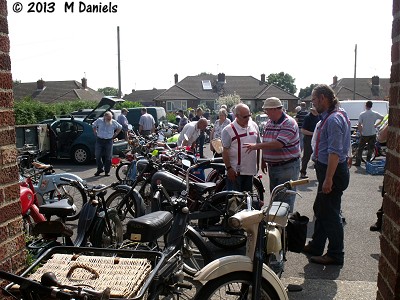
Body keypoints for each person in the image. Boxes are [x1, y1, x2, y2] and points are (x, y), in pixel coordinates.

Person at [303, 84, 351, 265]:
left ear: (323, 98)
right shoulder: (335, 115)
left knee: (330, 214)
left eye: (314, 100)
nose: (313, 104)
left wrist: (329, 178)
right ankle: (316, 245)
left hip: (333, 172)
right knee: (322, 209)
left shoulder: (333, 119)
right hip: (329, 170)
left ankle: (336, 254)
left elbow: (334, 152)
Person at [244, 97, 301, 213]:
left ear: (275, 109)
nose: (266, 113)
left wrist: (256, 146)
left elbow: (279, 144)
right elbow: (266, 141)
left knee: (285, 199)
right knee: (276, 197)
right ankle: (276, 226)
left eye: (267, 110)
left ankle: (284, 227)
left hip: (287, 166)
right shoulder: (270, 123)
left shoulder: (289, 123)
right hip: (274, 166)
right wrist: (264, 159)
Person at [221, 103, 260, 192]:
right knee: (234, 202)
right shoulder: (228, 130)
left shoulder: (254, 126)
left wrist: (258, 164)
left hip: (250, 172)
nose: (248, 119)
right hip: (235, 173)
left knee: (247, 201)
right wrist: (229, 168)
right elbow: (225, 151)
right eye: (245, 117)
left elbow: (258, 146)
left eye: (249, 116)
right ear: (236, 116)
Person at [354, 101, 384, 166]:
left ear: (366, 105)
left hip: (365, 133)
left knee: (360, 148)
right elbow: (382, 117)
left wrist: (361, 132)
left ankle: (358, 162)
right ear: (371, 106)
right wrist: (376, 124)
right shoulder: (375, 113)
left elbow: (359, 124)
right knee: (370, 148)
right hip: (372, 133)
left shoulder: (362, 114)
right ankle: (368, 162)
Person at [92, 111, 122, 176]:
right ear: (104, 117)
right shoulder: (99, 120)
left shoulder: (113, 122)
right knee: (97, 155)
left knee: (108, 157)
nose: (109, 120)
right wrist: (95, 132)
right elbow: (93, 125)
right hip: (99, 140)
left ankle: (107, 171)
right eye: (108, 118)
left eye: (110, 118)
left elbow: (120, 127)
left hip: (108, 141)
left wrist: (115, 134)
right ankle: (100, 169)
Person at [300, 106, 320, 178]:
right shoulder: (308, 117)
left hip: (318, 139)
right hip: (308, 139)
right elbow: (303, 130)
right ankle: (303, 172)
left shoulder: (320, 117)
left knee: (319, 156)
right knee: (306, 156)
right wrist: (313, 134)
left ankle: (319, 172)